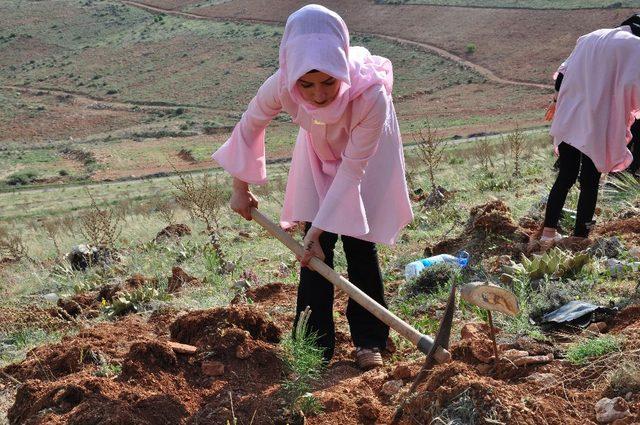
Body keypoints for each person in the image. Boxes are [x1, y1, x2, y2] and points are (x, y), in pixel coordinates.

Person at [211, 4, 413, 369]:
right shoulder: (283, 84)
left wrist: (319, 230)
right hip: (319, 148)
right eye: (307, 85)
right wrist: (239, 188)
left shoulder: (370, 95)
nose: (318, 95)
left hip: (364, 157)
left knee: (358, 241)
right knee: (313, 251)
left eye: (328, 82)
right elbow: (249, 126)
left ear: (341, 69)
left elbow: (352, 171)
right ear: (293, 74)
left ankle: (369, 340)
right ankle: (313, 345)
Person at [541, 14, 640, 241]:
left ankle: (548, 234)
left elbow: (561, 78)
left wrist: (558, 102)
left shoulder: (589, 38)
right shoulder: (635, 46)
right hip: (597, 121)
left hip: (570, 114)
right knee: (590, 180)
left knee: (564, 176)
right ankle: (579, 237)